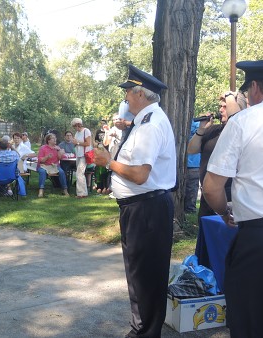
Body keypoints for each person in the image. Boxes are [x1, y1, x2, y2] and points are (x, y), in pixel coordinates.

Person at [203, 59, 263, 337]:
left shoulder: (245, 120)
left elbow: (211, 187)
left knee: (255, 323)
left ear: (255, 87)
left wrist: (223, 212)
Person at [93, 65, 176, 337]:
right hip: (141, 208)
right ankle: (142, 328)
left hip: (147, 209)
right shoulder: (143, 121)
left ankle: (146, 331)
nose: (126, 98)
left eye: (128, 92)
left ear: (140, 94)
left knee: (146, 275)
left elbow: (140, 174)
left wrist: (109, 162)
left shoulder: (150, 124)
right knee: (140, 274)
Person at [187, 90, 247, 268]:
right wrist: (200, 130)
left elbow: (238, 116)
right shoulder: (213, 130)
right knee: (207, 247)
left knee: (226, 249)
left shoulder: (241, 130)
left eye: (225, 106)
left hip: (229, 198)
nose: (221, 109)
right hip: (208, 198)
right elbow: (191, 149)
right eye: (220, 106)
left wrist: (231, 97)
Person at [37, 133, 69, 198]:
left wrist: (59, 151)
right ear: (48, 140)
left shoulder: (57, 148)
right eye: (53, 138)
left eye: (55, 138)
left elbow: (59, 158)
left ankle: (65, 190)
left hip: (54, 166)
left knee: (62, 172)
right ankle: (41, 190)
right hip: (44, 165)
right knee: (42, 172)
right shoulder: (43, 148)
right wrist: (47, 157)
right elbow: (41, 160)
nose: (55, 139)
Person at [71, 118, 92, 198]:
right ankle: (81, 192)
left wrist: (78, 143)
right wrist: (75, 143)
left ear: (80, 124)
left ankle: (82, 193)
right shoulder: (76, 133)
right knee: (79, 173)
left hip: (85, 154)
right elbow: (77, 143)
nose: (76, 127)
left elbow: (88, 143)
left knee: (80, 173)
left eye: (77, 125)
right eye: (74, 126)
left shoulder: (86, 131)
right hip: (78, 154)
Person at [184, 121, 201, 213]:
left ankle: (190, 209)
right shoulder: (197, 125)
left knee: (191, 187)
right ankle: (190, 209)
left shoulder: (194, 124)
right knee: (192, 188)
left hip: (192, 163)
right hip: (194, 163)